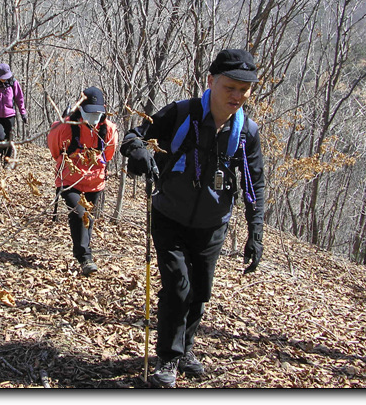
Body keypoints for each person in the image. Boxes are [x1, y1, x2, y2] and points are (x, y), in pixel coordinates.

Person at [120, 49, 265, 388]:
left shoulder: (247, 133)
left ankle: (185, 349)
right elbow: (134, 136)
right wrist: (140, 151)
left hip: (213, 223)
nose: (238, 96)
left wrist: (255, 232)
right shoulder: (182, 112)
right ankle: (167, 358)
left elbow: (255, 182)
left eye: (244, 90)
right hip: (169, 215)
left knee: (200, 291)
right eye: (230, 87)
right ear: (211, 81)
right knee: (177, 285)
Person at [48, 87, 119, 276]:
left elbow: (109, 155)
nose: (94, 117)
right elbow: (56, 152)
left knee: (88, 218)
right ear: (81, 109)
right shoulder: (65, 126)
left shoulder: (109, 130)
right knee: (79, 214)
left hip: (95, 182)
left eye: (97, 113)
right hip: (69, 180)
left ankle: (83, 253)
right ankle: (85, 258)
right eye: (90, 112)